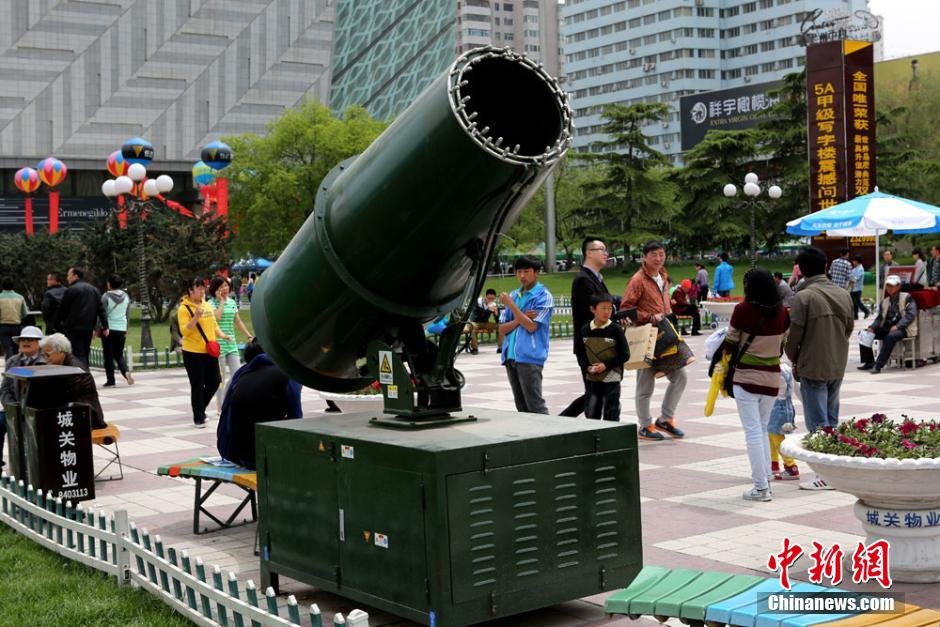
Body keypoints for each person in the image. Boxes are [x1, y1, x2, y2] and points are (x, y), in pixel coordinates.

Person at [784, 247, 854, 491]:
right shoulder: (843, 294)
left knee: (817, 423)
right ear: (825, 266)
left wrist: (794, 357)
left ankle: (825, 475)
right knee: (831, 420)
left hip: (813, 365)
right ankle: (834, 469)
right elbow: (849, 328)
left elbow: (794, 337)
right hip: (837, 363)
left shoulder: (804, 297)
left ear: (801, 270)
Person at [718, 267, 789, 501]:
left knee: (753, 432)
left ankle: (761, 487)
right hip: (772, 378)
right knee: (762, 427)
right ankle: (766, 478)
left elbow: (730, 343)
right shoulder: (782, 312)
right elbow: (783, 344)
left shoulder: (742, 310)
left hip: (746, 378)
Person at [621, 241, 686, 441]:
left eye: (661, 254)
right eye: (654, 255)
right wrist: (650, 317)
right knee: (645, 385)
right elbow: (626, 309)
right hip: (646, 337)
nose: (658, 258)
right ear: (644, 257)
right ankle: (645, 425)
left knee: (680, 377)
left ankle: (665, 419)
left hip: (665, 336)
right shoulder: (638, 280)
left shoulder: (663, 276)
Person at [217, 338, 302, 469]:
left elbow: (226, 412)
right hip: (263, 457)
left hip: (232, 453)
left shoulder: (240, 374)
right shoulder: (289, 373)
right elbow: (296, 420)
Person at [560, 237, 614, 417]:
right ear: (589, 253)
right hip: (590, 345)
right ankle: (569, 422)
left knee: (597, 391)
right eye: (601, 249)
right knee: (595, 392)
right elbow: (596, 310)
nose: (606, 253)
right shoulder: (583, 280)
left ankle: (565, 421)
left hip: (598, 344)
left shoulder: (595, 278)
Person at [499, 255, 554, 414]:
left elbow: (531, 326)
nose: (522, 276)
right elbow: (502, 329)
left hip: (530, 356)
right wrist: (521, 317)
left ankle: (549, 430)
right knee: (521, 407)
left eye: (526, 271)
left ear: (536, 272)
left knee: (535, 405)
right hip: (510, 356)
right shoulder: (514, 295)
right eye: (519, 272)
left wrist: (512, 306)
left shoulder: (543, 296)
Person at [178, 278, 232, 428]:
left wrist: (223, 335)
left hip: (209, 350)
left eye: (203, 288)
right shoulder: (184, 308)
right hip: (193, 352)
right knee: (197, 384)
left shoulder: (206, 304)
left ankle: (200, 408)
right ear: (190, 290)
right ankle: (198, 418)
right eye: (199, 288)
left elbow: (213, 324)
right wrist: (195, 317)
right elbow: (185, 332)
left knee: (215, 380)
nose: (202, 291)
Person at [39, 333, 106, 429]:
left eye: (47, 355)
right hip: (75, 412)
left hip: (88, 416)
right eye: (43, 355)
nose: (45, 359)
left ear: (61, 352)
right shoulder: (61, 365)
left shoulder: (74, 370)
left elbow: (65, 396)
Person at [0, 326, 45, 467]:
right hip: (14, 407)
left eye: (30, 339)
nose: (25, 342)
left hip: (36, 409)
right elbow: (5, 388)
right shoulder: (12, 361)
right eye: (23, 339)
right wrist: (12, 407)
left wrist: (28, 409)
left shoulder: (46, 361)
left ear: (39, 343)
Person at [581, 294, 629, 421]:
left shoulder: (616, 330)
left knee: (611, 412)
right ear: (593, 309)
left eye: (610, 308)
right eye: (603, 308)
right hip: (593, 378)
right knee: (592, 411)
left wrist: (606, 365)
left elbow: (625, 354)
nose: (607, 312)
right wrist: (587, 367)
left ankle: (612, 433)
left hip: (612, 377)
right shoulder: (585, 330)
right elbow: (581, 354)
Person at [208, 276, 251, 414]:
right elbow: (217, 317)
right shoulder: (210, 303)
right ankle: (220, 407)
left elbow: (238, 321)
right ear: (215, 289)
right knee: (219, 379)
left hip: (231, 344)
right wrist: (221, 301)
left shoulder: (232, 302)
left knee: (238, 374)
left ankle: (230, 400)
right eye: (221, 287)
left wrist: (248, 335)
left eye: (226, 285)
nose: (224, 289)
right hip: (218, 345)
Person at [858, 275, 917, 374]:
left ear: (898, 286)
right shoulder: (885, 301)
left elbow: (910, 315)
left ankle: (878, 365)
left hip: (904, 329)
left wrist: (898, 326)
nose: (889, 288)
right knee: (864, 333)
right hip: (888, 327)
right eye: (888, 286)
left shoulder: (907, 297)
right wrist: (872, 327)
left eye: (892, 286)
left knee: (890, 337)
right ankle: (869, 362)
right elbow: (879, 318)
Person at [54, 267, 108, 367]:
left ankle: (82, 372)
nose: (67, 278)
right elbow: (101, 310)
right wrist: (105, 326)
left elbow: (62, 309)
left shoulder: (71, 290)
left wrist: (56, 324)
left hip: (73, 328)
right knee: (85, 352)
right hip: (88, 328)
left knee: (77, 353)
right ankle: (85, 370)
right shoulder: (94, 290)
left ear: (75, 276)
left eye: (68, 275)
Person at [768, 362, 800, 481]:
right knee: (771, 435)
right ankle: (773, 464)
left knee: (777, 438)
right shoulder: (786, 368)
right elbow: (796, 388)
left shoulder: (775, 370)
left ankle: (791, 467)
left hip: (776, 407)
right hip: (786, 406)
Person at [101, 275, 134, 387]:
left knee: (108, 356)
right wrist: (126, 328)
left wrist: (100, 328)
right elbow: (128, 314)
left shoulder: (105, 296)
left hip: (109, 329)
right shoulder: (126, 296)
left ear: (109, 284)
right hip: (121, 328)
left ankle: (111, 380)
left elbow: (102, 314)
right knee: (119, 354)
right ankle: (126, 372)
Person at [0, 277, 28, 360]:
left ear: (2, 286)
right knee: (16, 349)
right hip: (16, 326)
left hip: (3, 327)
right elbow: (24, 313)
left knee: (8, 348)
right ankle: (16, 364)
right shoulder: (20, 297)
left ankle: (10, 364)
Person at [469, 288, 501, 354]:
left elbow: (498, 320)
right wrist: (488, 310)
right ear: (485, 297)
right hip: (476, 322)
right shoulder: (478, 303)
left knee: (500, 326)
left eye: (492, 299)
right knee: (472, 328)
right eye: (489, 298)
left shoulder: (493, 304)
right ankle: (475, 348)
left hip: (485, 323)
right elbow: (478, 317)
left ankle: (500, 348)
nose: (491, 300)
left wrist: (496, 314)